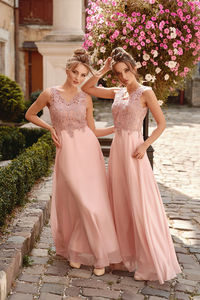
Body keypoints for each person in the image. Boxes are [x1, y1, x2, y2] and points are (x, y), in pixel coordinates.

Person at [82, 47, 181, 284]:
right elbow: (87, 88)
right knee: (119, 200)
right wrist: (102, 70)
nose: (123, 76)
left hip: (134, 151)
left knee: (139, 203)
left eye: (126, 70)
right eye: (118, 73)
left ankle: (146, 259)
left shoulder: (146, 92)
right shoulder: (118, 91)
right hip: (117, 150)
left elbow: (161, 123)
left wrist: (145, 145)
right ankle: (123, 256)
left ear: (134, 68)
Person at [25, 48, 122, 276]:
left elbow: (93, 130)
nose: (78, 78)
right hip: (67, 152)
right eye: (75, 73)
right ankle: (84, 251)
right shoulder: (50, 94)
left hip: (88, 151)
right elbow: (30, 114)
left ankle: (87, 253)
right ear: (68, 70)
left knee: (92, 204)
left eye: (82, 75)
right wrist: (50, 128)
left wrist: (118, 129)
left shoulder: (85, 98)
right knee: (80, 201)